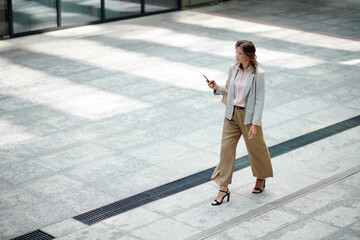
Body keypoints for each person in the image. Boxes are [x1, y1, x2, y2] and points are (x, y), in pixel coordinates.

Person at [207, 40, 273, 206]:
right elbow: (230, 90)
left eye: (239, 53)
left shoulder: (258, 74)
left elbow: (259, 101)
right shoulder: (233, 68)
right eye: (235, 52)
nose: (235, 56)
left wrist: (255, 124)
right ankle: (223, 188)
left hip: (248, 117)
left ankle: (261, 177)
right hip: (231, 115)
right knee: (226, 151)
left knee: (256, 148)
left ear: (248, 55)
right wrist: (216, 87)